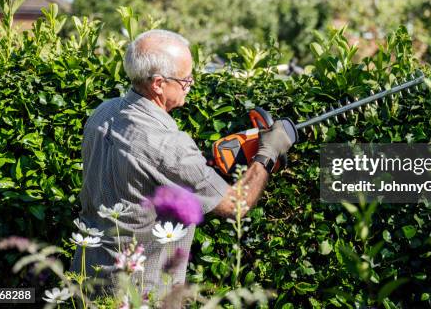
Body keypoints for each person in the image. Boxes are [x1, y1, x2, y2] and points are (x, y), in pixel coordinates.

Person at [70, 29, 293, 299]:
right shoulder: (167, 144)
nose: (192, 83)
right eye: (186, 79)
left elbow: (145, 177)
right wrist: (267, 154)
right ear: (158, 84)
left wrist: (204, 168)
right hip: (139, 293)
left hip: (88, 274)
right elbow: (236, 205)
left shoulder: (103, 111)